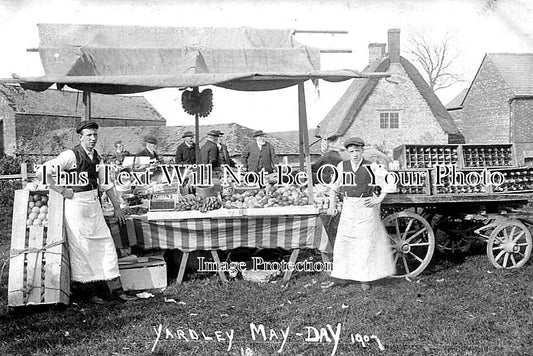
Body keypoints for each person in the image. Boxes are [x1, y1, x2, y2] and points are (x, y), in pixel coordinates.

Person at [38, 121, 132, 303]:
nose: (93, 138)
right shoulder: (70, 155)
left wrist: (117, 207)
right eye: (89, 135)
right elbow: (43, 172)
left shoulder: (98, 158)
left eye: (95, 135)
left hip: (94, 205)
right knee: (82, 249)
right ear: (80, 137)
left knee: (106, 244)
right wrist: (63, 191)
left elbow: (107, 184)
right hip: (76, 206)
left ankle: (115, 290)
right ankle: (87, 293)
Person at [321, 137, 396, 291]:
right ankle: (342, 276)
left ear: (362, 150)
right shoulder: (342, 166)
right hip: (349, 207)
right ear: (348, 152)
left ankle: (365, 278)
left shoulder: (372, 166)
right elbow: (334, 187)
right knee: (345, 241)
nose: (355, 154)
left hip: (366, 208)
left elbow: (390, 181)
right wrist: (332, 205)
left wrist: (378, 198)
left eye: (357, 150)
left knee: (365, 243)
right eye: (351, 151)